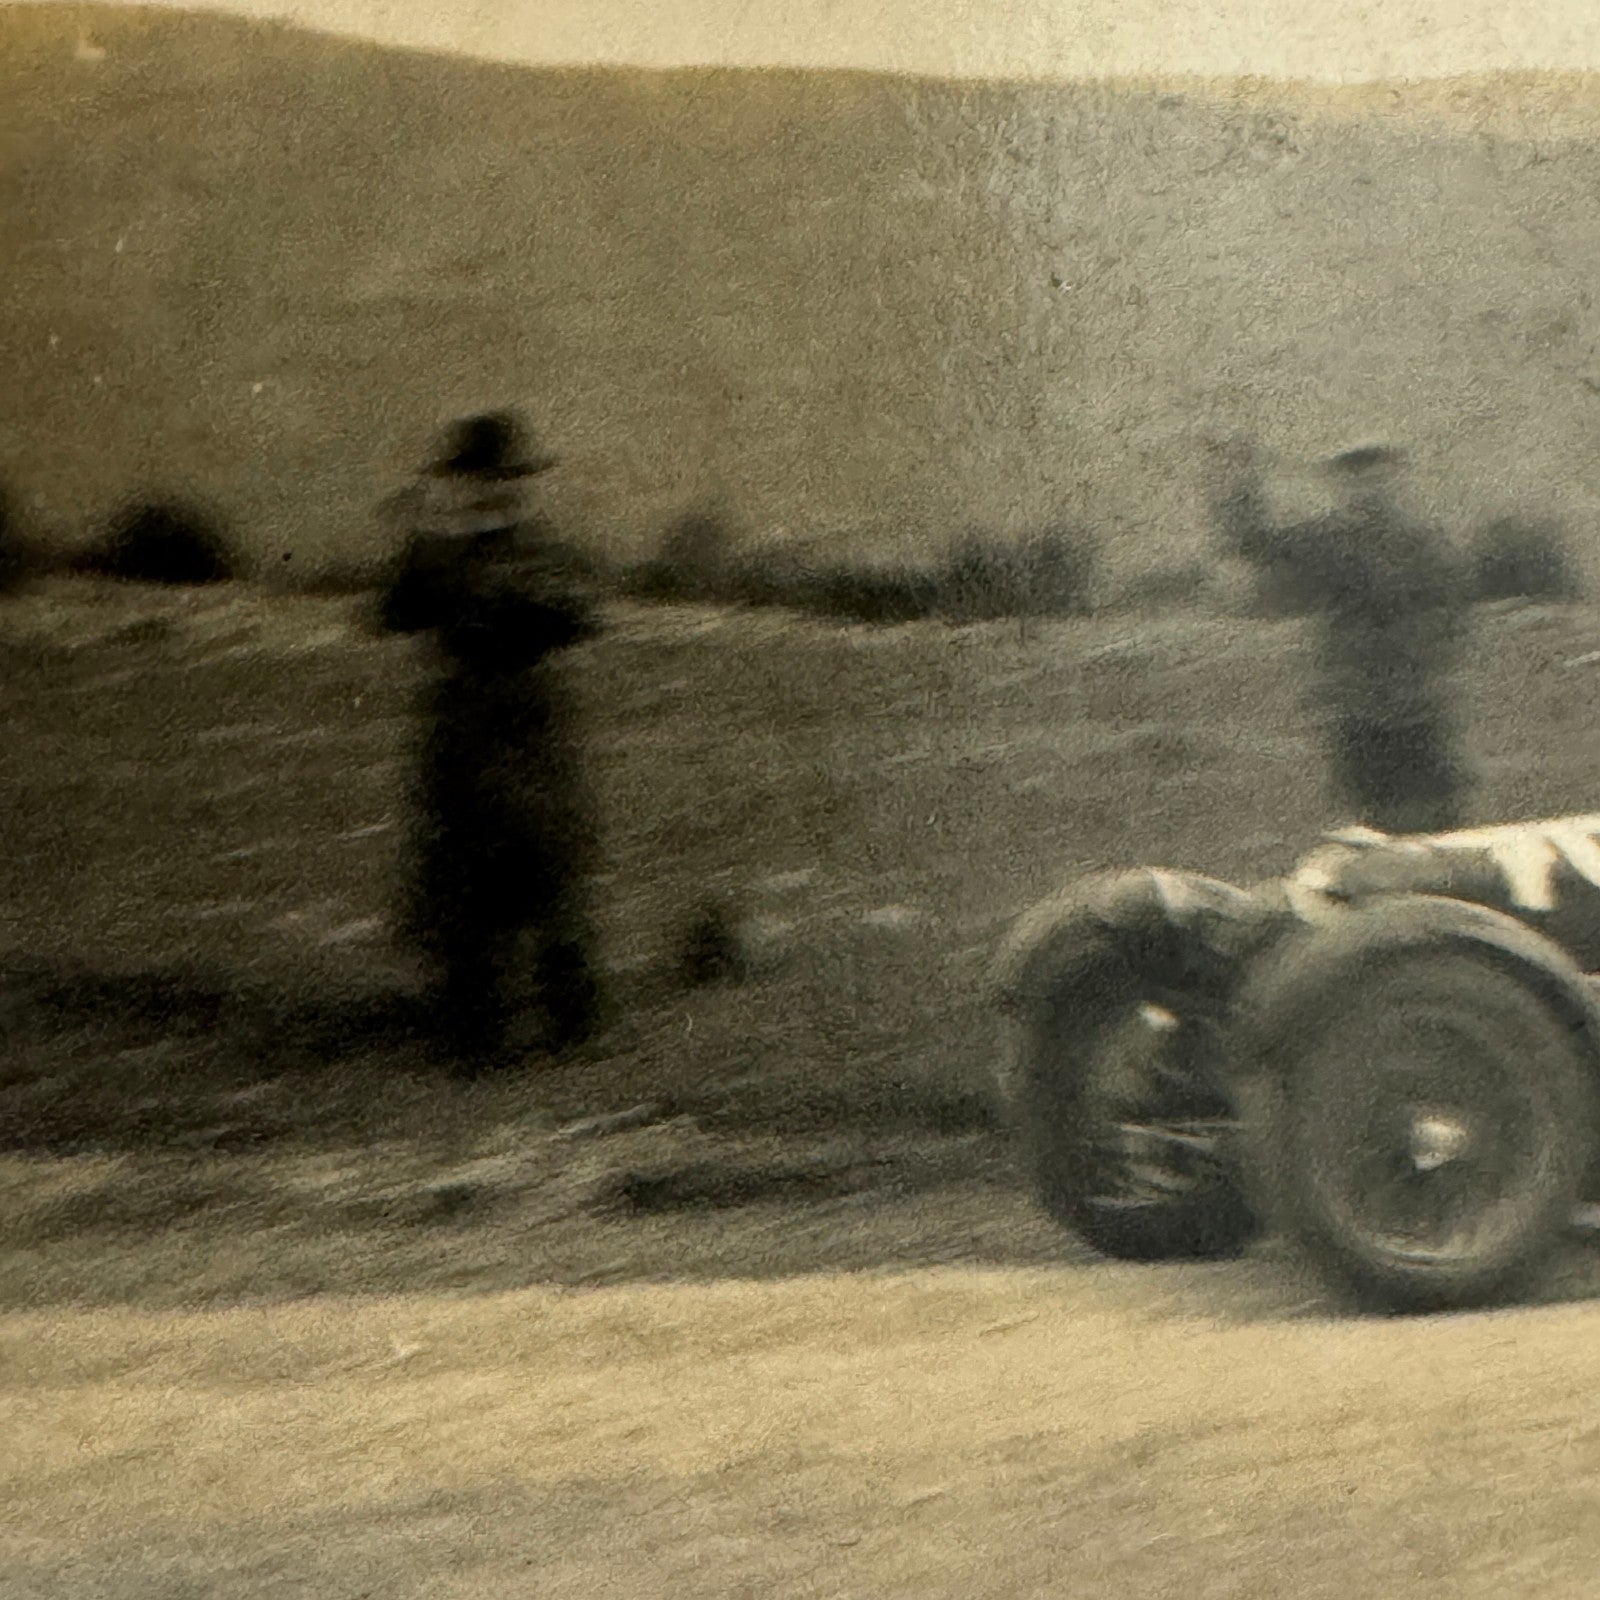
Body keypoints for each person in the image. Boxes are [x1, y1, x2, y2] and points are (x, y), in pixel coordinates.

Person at [377, 410, 605, 1073]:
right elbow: (395, 612)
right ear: (461, 486)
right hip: (462, 732)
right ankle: (475, 1023)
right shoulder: (436, 554)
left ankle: (573, 1015)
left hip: (531, 727)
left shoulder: (547, 548)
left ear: (519, 485)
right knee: (460, 876)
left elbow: (578, 614)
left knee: (550, 869)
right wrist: (422, 542)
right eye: (476, 481)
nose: (490, 492)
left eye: (502, 481)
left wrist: (509, 601)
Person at [1209, 437, 1470, 834]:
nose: (1370, 488)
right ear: (1345, 485)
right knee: (1373, 820)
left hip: (1414, 703)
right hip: (1359, 705)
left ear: (1394, 480)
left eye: (1378, 477)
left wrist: (1433, 664)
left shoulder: (1423, 541)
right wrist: (1239, 479)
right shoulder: (1332, 539)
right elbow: (1254, 542)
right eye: (1358, 479)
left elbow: (1454, 610)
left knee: (1437, 819)